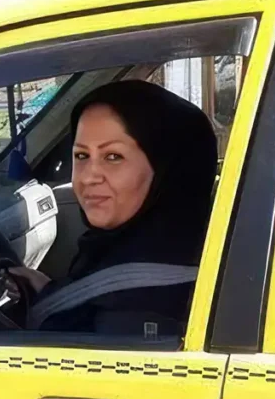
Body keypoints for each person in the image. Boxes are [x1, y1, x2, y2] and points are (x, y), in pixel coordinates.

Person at [12, 79, 218, 337]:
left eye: (113, 157)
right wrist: (51, 293)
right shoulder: (191, 249)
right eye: (81, 156)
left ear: (168, 169)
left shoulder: (134, 316)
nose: (88, 177)